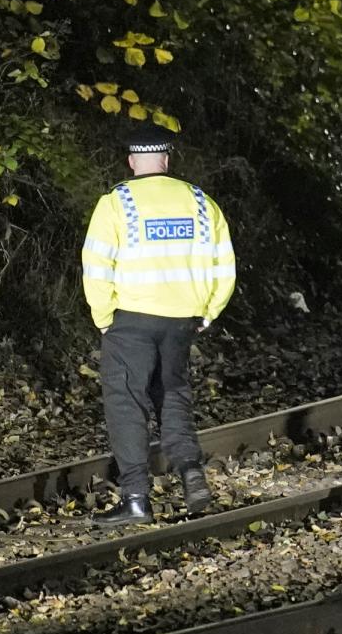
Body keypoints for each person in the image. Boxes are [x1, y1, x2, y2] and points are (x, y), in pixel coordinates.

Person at [80, 122, 237, 526]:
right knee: (173, 395)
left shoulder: (116, 203)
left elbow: (96, 266)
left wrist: (103, 317)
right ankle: (191, 473)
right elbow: (225, 265)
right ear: (166, 160)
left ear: (133, 162)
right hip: (182, 319)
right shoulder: (202, 203)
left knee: (127, 404)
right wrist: (208, 310)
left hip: (130, 319)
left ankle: (135, 498)